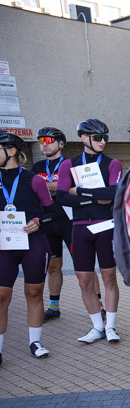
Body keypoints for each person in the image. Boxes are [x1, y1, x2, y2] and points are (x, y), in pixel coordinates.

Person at [55, 118, 121, 344]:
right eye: (98, 137)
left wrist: (80, 192)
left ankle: (111, 326)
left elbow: (112, 194)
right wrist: (95, 198)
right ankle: (97, 327)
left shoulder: (113, 164)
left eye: (105, 137)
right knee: (84, 281)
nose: (103, 141)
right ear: (84, 138)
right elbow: (61, 196)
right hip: (80, 228)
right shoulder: (69, 165)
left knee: (109, 277)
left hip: (105, 226)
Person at [0, 130, 56, 365]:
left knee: (33, 293)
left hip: (34, 243)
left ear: (11, 151)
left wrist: (38, 222)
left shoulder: (33, 179)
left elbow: (52, 211)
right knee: (1, 296)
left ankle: (35, 342)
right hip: (4, 246)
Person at [31, 127, 81, 322]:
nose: (44, 144)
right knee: (53, 267)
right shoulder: (37, 167)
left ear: (60, 144)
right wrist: (59, 186)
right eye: (41, 141)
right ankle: (54, 308)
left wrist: (47, 186)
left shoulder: (70, 165)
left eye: (49, 140)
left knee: (82, 268)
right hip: (47, 222)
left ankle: (99, 305)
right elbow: (33, 189)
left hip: (69, 222)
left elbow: (75, 189)